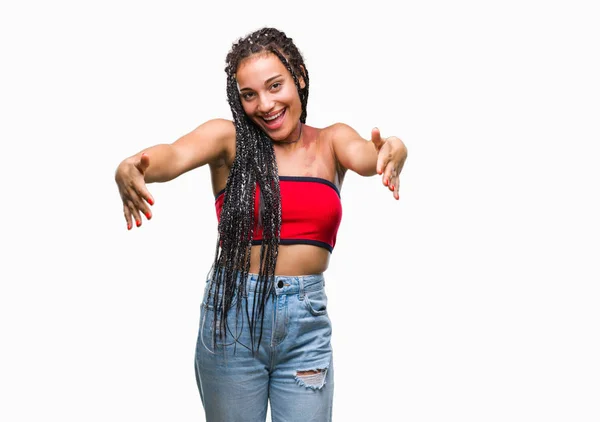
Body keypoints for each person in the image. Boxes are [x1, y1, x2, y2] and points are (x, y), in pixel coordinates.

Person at [114, 27, 407, 422]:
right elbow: (172, 154)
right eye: (249, 95)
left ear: (299, 77)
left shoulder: (331, 141)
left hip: (305, 322)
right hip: (233, 316)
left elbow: (369, 154)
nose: (264, 104)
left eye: (275, 86)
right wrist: (130, 166)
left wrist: (395, 148)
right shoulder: (228, 140)